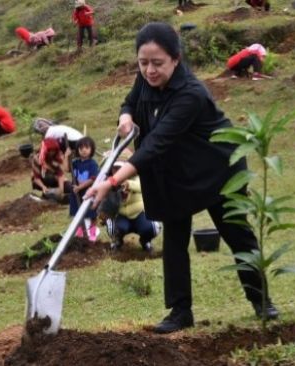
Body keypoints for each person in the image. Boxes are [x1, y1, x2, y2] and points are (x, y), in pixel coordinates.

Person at [86, 22, 278, 334]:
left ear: (176, 59)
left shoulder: (191, 94)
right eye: (143, 63)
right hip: (175, 172)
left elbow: (156, 143)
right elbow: (131, 101)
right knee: (175, 239)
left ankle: (262, 301)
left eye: (157, 63)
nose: (149, 70)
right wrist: (125, 115)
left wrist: (110, 179)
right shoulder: (146, 78)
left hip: (217, 170)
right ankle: (180, 312)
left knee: (236, 233)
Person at [104, 159, 160, 253]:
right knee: (114, 228)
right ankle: (117, 241)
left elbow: (142, 187)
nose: (118, 171)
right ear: (111, 169)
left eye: (120, 168)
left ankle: (145, 241)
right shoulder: (109, 182)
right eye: (115, 168)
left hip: (138, 213)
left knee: (151, 228)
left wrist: (129, 184)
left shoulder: (136, 178)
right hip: (121, 215)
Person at [69, 136, 99, 241]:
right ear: (77, 150)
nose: (84, 150)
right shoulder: (75, 163)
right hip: (76, 193)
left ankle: (92, 234)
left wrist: (80, 187)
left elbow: (92, 179)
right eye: (81, 148)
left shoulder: (92, 164)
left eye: (87, 147)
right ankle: (80, 232)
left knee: (92, 214)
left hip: (88, 193)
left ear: (91, 149)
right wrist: (66, 156)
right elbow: (64, 168)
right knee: (77, 214)